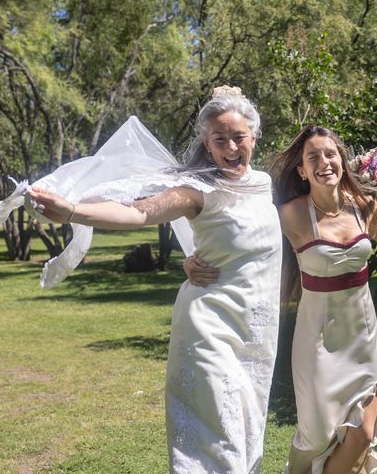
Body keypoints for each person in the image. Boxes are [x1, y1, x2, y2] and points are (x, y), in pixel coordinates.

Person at [185, 125, 377, 474]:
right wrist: (193, 258)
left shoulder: (364, 206)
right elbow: (235, 231)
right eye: (313, 157)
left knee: (363, 433)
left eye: (330, 154)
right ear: (302, 170)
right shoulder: (290, 214)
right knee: (317, 440)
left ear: (342, 161)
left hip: (362, 336)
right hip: (317, 342)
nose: (324, 162)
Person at [30, 87, 283, 473]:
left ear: (254, 136)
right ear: (207, 143)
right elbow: (138, 213)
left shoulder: (265, 184)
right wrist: (73, 212)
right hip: (209, 327)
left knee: (248, 431)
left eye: (238, 137)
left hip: (256, 333)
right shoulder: (198, 190)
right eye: (220, 139)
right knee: (220, 436)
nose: (231, 147)